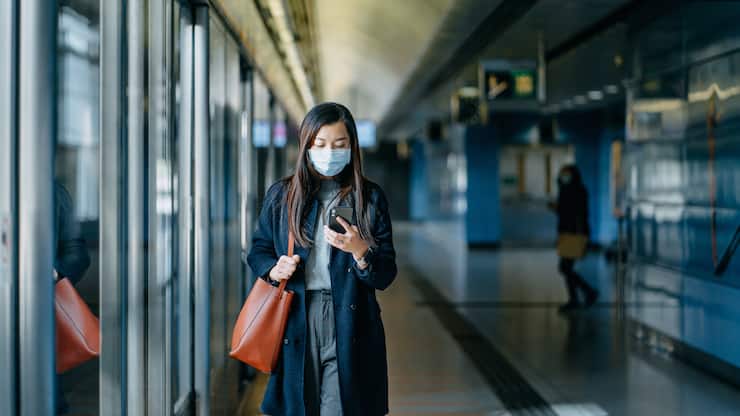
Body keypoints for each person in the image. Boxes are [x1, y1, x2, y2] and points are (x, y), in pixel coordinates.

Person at [247, 102, 397, 416]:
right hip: (296, 315)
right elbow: (258, 250)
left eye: (340, 145)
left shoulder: (369, 198)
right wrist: (275, 268)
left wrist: (360, 251)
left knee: (339, 407)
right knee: (299, 405)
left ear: (352, 147)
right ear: (307, 146)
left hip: (350, 318)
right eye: (321, 144)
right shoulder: (283, 196)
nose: (330, 152)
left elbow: (385, 274)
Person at [54, 180, 92, 415]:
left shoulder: (53, 193)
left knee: (49, 398)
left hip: (38, 316)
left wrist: (55, 272)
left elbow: (77, 253)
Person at [552, 165, 598, 312]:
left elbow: (578, 213)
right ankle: (576, 298)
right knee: (566, 268)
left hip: (575, 234)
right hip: (566, 233)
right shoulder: (566, 190)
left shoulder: (578, 190)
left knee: (564, 267)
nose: (563, 176)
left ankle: (587, 293)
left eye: (566, 174)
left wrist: (583, 236)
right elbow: (565, 211)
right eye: (562, 173)